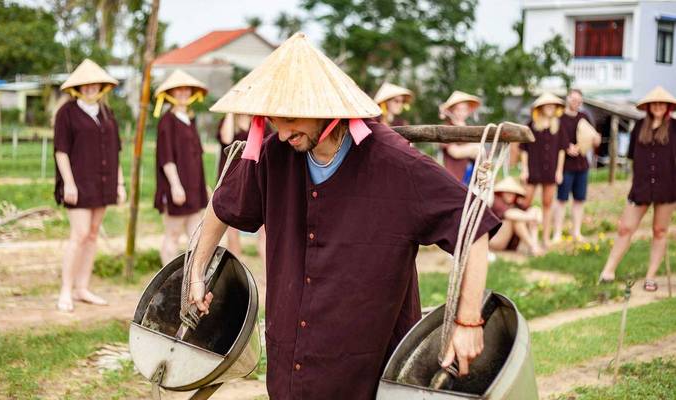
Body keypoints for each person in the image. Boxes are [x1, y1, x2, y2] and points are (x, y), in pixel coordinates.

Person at [186, 33, 501, 399]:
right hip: (291, 366)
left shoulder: (395, 163)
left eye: (291, 120)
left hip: (365, 372)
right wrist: (196, 270)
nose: (284, 133)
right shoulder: (275, 155)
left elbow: (473, 225)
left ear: (327, 110)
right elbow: (223, 204)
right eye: (274, 121)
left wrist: (468, 321)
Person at [53, 59, 125, 312]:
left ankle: (83, 288)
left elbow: (116, 151)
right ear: (78, 87)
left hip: (104, 182)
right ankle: (66, 290)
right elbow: (61, 151)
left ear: (101, 86)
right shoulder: (67, 113)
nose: (90, 88)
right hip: (78, 183)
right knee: (79, 234)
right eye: (85, 85)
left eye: (94, 84)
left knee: (93, 234)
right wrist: (68, 183)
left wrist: (120, 183)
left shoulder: (107, 113)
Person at [598, 86, 676, 291]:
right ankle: (608, 271)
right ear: (649, 106)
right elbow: (633, 159)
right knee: (625, 228)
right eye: (654, 103)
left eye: (662, 104)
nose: (658, 106)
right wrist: (632, 186)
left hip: (667, 188)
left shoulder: (675, 127)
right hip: (640, 188)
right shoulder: (640, 126)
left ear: (667, 107)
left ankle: (650, 277)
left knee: (659, 231)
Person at [152, 69, 209, 266]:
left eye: (187, 90)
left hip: (194, 186)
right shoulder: (167, 121)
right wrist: (175, 185)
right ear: (171, 94)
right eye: (179, 90)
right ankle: (168, 281)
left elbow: (197, 156)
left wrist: (204, 186)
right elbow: (166, 158)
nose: (183, 93)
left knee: (197, 235)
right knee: (173, 234)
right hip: (176, 186)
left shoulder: (190, 120)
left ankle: (189, 281)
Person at [216, 113, 268, 264]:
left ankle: (267, 276)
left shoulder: (261, 122)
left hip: (256, 181)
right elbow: (226, 139)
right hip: (232, 181)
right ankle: (236, 270)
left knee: (264, 232)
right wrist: (230, 112)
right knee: (232, 230)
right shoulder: (228, 122)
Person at [520, 93, 569, 248]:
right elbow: (524, 150)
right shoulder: (531, 125)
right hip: (533, 169)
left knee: (547, 204)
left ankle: (546, 238)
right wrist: (524, 170)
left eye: (553, 106)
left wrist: (559, 171)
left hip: (551, 171)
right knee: (524, 203)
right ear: (540, 108)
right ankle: (524, 238)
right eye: (548, 106)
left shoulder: (558, 126)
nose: (551, 108)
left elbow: (562, 150)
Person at [553, 89, 601, 242]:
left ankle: (576, 232)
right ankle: (557, 233)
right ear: (568, 99)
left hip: (582, 166)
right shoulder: (559, 118)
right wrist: (567, 147)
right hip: (565, 166)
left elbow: (592, 136)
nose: (576, 103)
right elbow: (556, 139)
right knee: (561, 200)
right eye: (573, 100)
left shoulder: (584, 117)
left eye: (579, 101)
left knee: (579, 200)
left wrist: (594, 141)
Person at [489, 177, 543, 256]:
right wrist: (530, 216)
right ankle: (533, 247)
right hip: (496, 241)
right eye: (507, 192)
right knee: (515, 218)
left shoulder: (516, 204)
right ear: (502, 192)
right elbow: (509, 214)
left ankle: (534, 246)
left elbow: (534, 210)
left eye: (512, 192)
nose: (510, 195)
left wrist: (535, 212)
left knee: (529, 213)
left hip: (510, 243)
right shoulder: (497, 202)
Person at [439, 91, 482, 183]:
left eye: (464, 110)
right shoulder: (447, 128)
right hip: (455, 174)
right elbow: (455, 152)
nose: (461, 113)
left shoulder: (469, 128)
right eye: (457, 109)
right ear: (451, 111)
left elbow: (480, 152)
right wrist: (474, 149)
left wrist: (475, 150)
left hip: (470, 173)